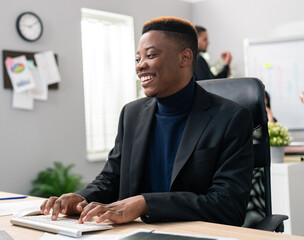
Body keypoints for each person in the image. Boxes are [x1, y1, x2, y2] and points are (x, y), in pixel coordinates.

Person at [41, 17, 254, 227]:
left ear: (185, 58)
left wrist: (146, 203)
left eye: (150, 55)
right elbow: (111, 178)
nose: (140, 66)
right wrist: (81, 198)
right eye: (137, 59)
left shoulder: (231, 118)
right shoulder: (131, 114)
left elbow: (228, 206)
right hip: (133, 233)